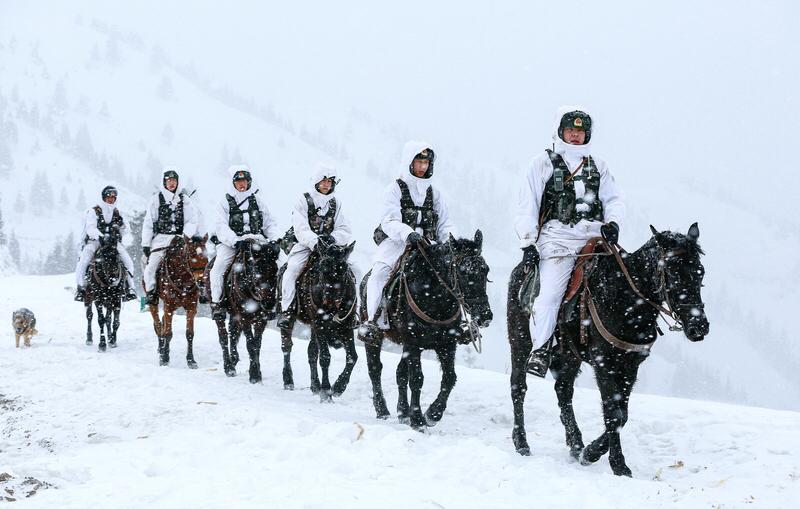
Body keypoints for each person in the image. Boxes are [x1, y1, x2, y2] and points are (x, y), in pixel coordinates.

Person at [515, 106, 625, 377]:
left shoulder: (598, 165)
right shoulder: (542, 163)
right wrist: (528, 242)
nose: (575, 136)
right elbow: (527, 204)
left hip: (594, 237)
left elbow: (613, 198)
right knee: (550, 294)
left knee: (625, 279)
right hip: (557, 239)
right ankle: (540, 350)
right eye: (570, 131)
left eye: (580, 132)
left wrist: (613, 223)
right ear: (560, 132)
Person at [359, 141, 456, 342]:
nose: (423, 167)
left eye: (426, 163)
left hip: (429, 245)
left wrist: (450, 241)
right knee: (378, 274)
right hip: (398, 242)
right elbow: (389, 220)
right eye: (419, 162)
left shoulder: (434, 193)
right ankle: (374, 321)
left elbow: (445, 223)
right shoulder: (394, 189)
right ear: (409, 163)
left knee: (454, 273)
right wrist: (407, 233)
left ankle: (461, 322)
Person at [277, 163, 352, 328]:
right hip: (306, 246)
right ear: (317, 181)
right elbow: (300, 228)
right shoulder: (303, 200)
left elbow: (344, 228)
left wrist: (333, 239)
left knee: (354, 272)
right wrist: (315, 242)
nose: (327, 184)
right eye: (324, 181)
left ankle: (353, 312)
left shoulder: (336, 203)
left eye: (330, 181)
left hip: (332, 249)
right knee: (291, 271)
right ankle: (287, 311)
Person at [209, 165, 279, 319]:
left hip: (258, 241)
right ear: (233, 183)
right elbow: (221, 226)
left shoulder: (258, 201)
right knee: (218, 269)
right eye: (239, 181)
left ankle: (277, 303)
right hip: (233, 243)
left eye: (245, 181)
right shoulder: (224, 202)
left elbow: (269, 223)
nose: (242, 184)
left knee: (282, 265)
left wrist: (274, 240)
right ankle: (218, 304)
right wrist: (234, 241)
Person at [141, 167, 200, 305]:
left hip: (181, 239)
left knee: (196, 262)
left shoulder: (185, 200)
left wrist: (185, 235)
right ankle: (151, 293)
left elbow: (192, 220)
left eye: (174, 180)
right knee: (150, 268)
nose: (172, 183)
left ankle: (199, 290)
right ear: (164, 182)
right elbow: (149, 222)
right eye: (169, 181)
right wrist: (146, 244)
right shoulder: (156, 200)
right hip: (161, 239)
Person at [74, 185, 137, 302]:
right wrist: (101, 237)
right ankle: (81, 287)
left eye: (113, 197)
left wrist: (121, 225)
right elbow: (90, 228)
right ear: (104, 197)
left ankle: (130, 288)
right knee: (84, 260)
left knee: (128, 261)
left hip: (113, 242)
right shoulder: (94, 211)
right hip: (96, 242)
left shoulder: (118, 212)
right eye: (109, 196)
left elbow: (126, 229)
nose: (111, 199)